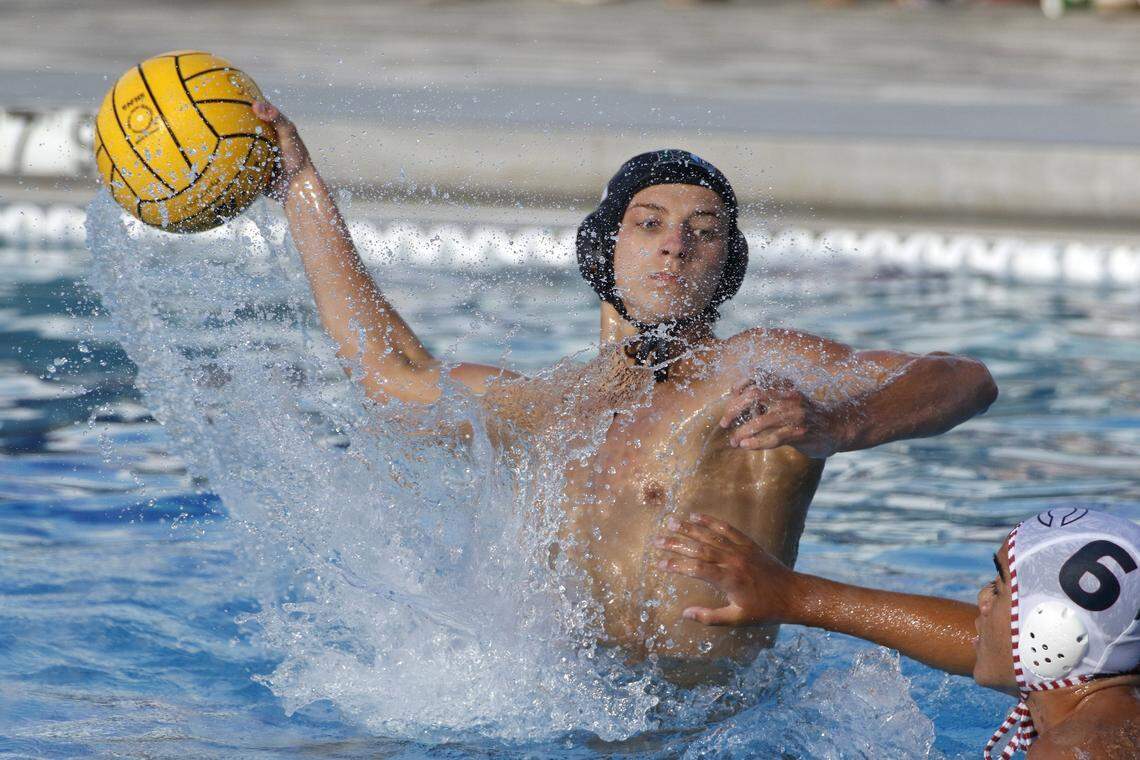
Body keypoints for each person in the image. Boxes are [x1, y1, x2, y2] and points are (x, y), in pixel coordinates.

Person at [252, 100, 998, 660]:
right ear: (603, 249)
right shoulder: (548, 402)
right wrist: (299, 185)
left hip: (714, 730)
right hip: (565, 722)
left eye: (705, 232)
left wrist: (844, 426)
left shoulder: (758, 368)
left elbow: (962, 379)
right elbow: (389, 373)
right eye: (649, 224)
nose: (677, 244)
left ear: (726, 265)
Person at [656, 507, 1140, 757]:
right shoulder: (1100, 699)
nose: (981, 599)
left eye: (1001, 585)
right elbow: (971, 640)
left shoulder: (1080, 750)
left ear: (1050, 633)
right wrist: (795, 597)